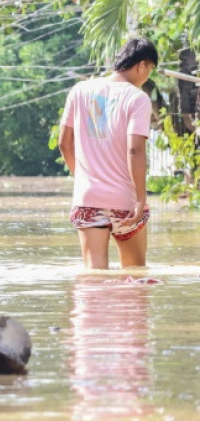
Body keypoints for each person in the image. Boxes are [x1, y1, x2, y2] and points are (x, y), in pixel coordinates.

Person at [58, 37, 156, 269]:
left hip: (88, 197)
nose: (147, 76)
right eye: (150, 70)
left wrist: (82, 179)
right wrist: (140, 199)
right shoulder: (137, 98)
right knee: (134, 277)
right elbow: (134, 150)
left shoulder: (80, 90)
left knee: (94, 278)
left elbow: (64, 143)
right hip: (124, 199)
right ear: (141, 65)